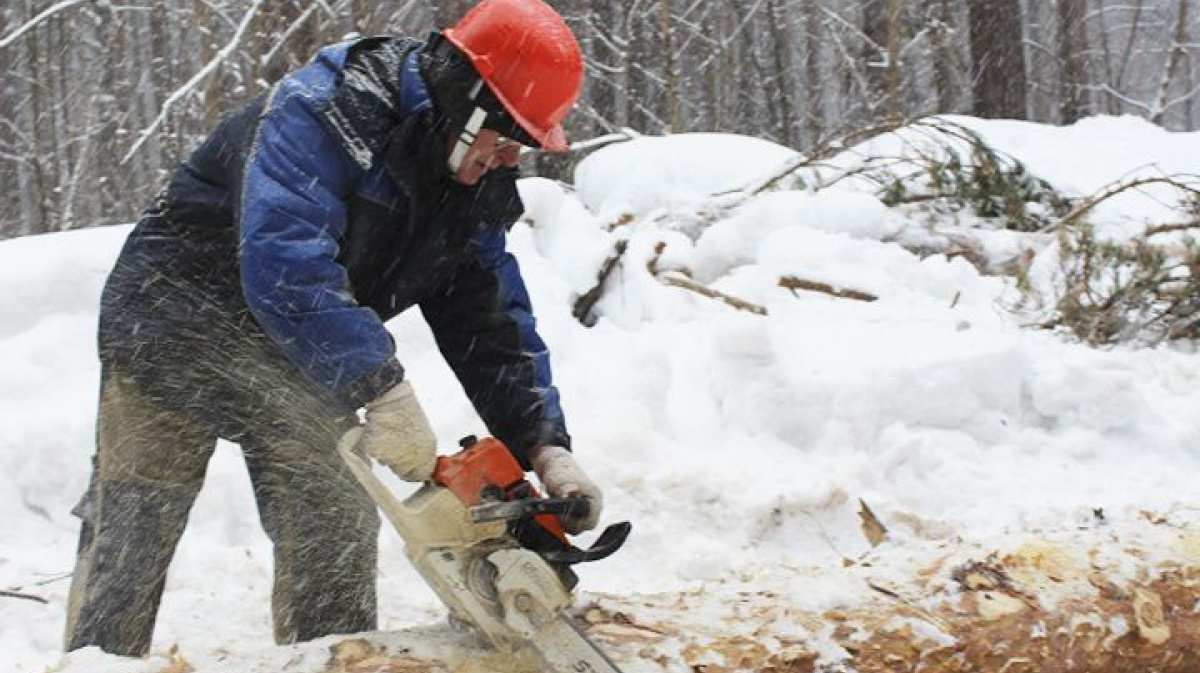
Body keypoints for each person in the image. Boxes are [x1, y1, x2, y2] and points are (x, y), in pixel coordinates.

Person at [64, 0, 603, 657]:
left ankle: (333, 658)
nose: (509, 154)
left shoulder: (472, 185)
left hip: (298, 349)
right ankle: (91, 661)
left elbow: (491, 320)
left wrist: (545, 446)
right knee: (136, 522)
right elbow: (286, 263)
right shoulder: (330, 109)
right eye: (506, 133)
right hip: (174, 317)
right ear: (468, 100)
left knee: (333, 518)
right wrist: (380, 385)